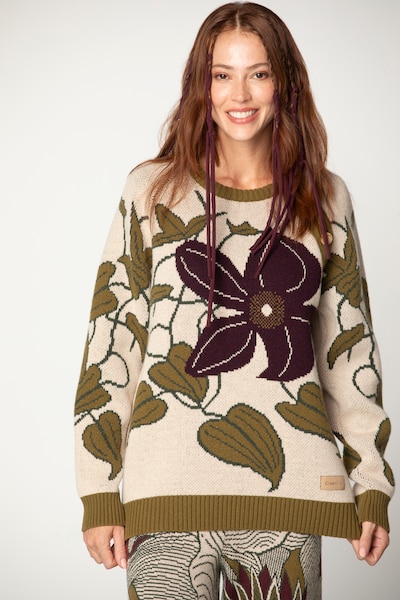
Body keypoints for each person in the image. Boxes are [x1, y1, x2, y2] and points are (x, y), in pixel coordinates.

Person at [74, 3, 394, 598]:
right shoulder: (152, 192)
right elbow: (111, 341)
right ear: (202, 84)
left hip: (288, 498)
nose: (239, 94)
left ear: (285, 84)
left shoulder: (325, 198)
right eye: (222, 74)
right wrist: (98, 489)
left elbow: (350, 355)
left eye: (259, 74)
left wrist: (371, 482)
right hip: (163, 494)